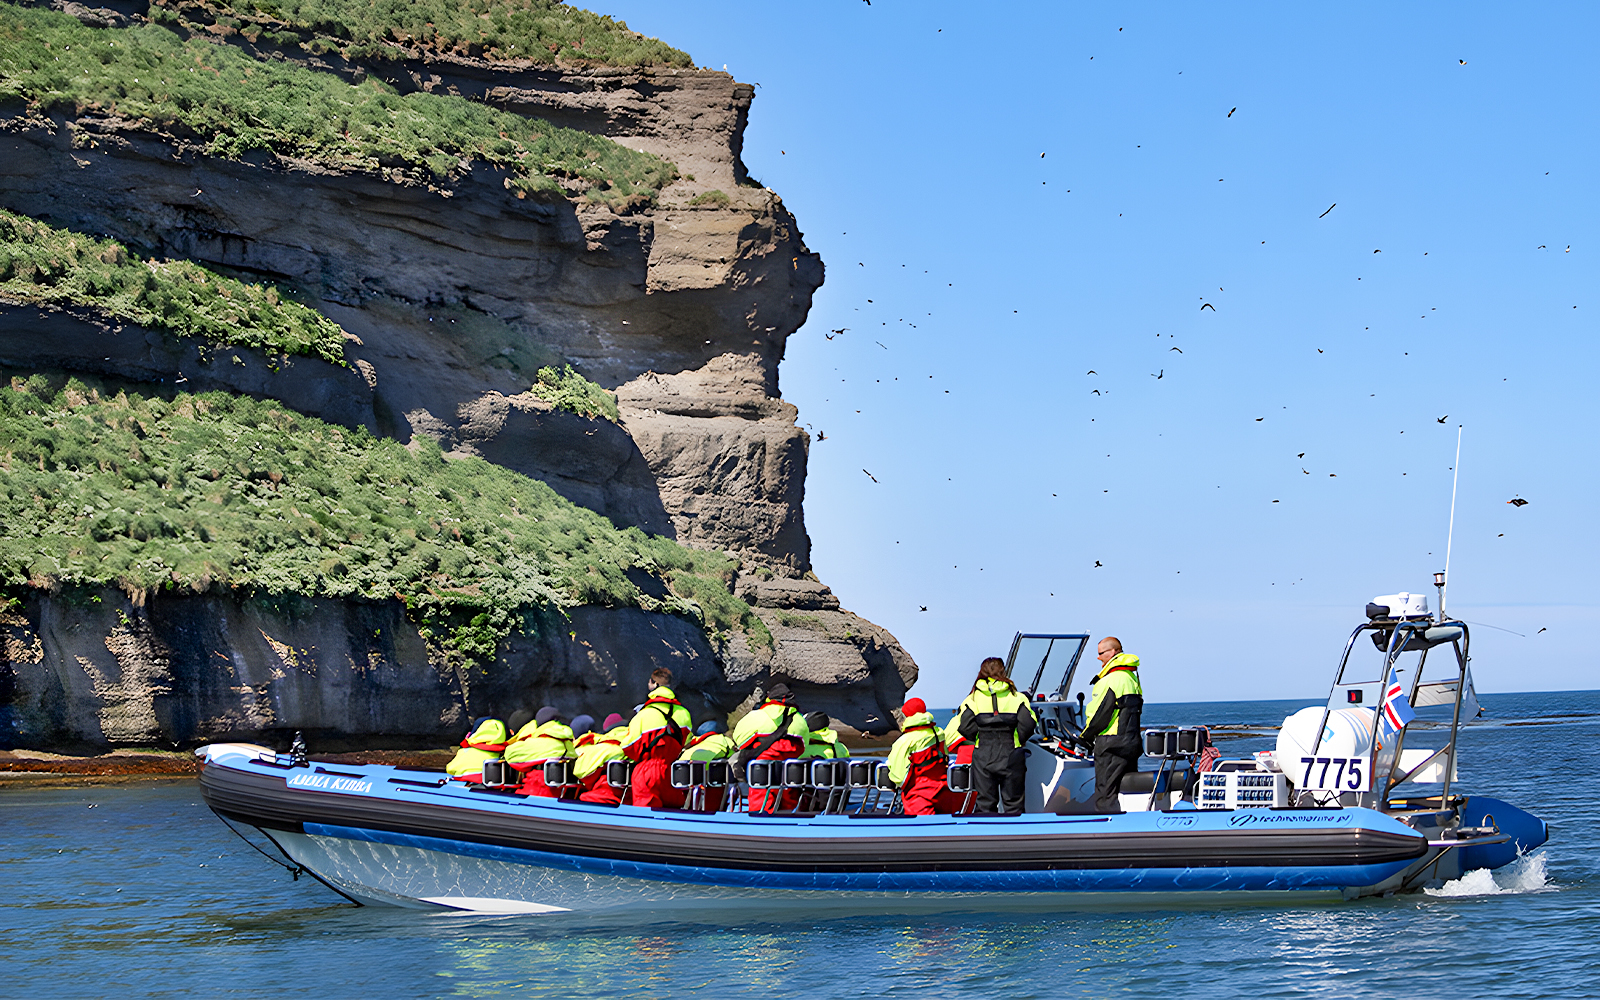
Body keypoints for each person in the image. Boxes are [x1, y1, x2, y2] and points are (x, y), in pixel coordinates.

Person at [956, 657, 1037, 813]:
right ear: (1003, 672)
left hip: (984, 753)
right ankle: (1016, 835)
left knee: (985, 804)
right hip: (1011, 752)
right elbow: (1028, 724)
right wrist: (1017, 740)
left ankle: (985, 837)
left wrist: (979, 737)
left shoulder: (972, 698)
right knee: (1014, 804)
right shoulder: (1018, 697)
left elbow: (964, 726)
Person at [1079, 636, 1144, 814]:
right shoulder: (1131, 677)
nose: (1098, 658)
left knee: (1105, 792)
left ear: (1113, 652)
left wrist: (1085, 737)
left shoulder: (1109, 680)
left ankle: (1106, 833)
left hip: (1111, 744)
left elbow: (1099, 716)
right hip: (1131, 742)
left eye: (1101, 653)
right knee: (1126, 790)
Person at [730, 682, 809, 812]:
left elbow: (739, 737)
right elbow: (804, 746)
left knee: (761, 783)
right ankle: (789, 813)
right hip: (790, 758)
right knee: (789, 785)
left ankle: (759, 815)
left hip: (763, 761)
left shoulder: (758, 715)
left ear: (769, 698)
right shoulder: (799, 719)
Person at [624, 668, 693, 808]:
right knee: (672, 814)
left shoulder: (644, 714)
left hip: (647, 771)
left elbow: (628, 746)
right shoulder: (684, 713)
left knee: (644, 816)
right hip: (673, 773)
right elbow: (687, 742)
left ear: (654, 684)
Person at [886, 698, 963, 815]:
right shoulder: (939, 734)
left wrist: (895, 786)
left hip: (918, 796)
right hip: (944, 792)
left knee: (921, 830)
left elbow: (899, 777)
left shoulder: (904, 741)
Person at [506, 706, 576, 798]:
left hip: (537, 793)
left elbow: (510, 755)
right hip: (561, 795)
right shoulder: (569, 743)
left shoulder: (542, 742)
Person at [679, 720, 737, 811]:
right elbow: (733, 755)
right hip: (712, 782)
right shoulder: (725, 740)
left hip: (685, 780)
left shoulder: (692, 744)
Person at [575, 713, 629, 805]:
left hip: (605, 797)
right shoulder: (633, 741)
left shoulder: (594, 749)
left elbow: (583, 775)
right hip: (629, 798)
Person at [445, 716, 508, 782]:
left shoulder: (464, 751)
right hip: (491, 786)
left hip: (465, 786)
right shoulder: (504, 754)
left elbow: (449, 768)